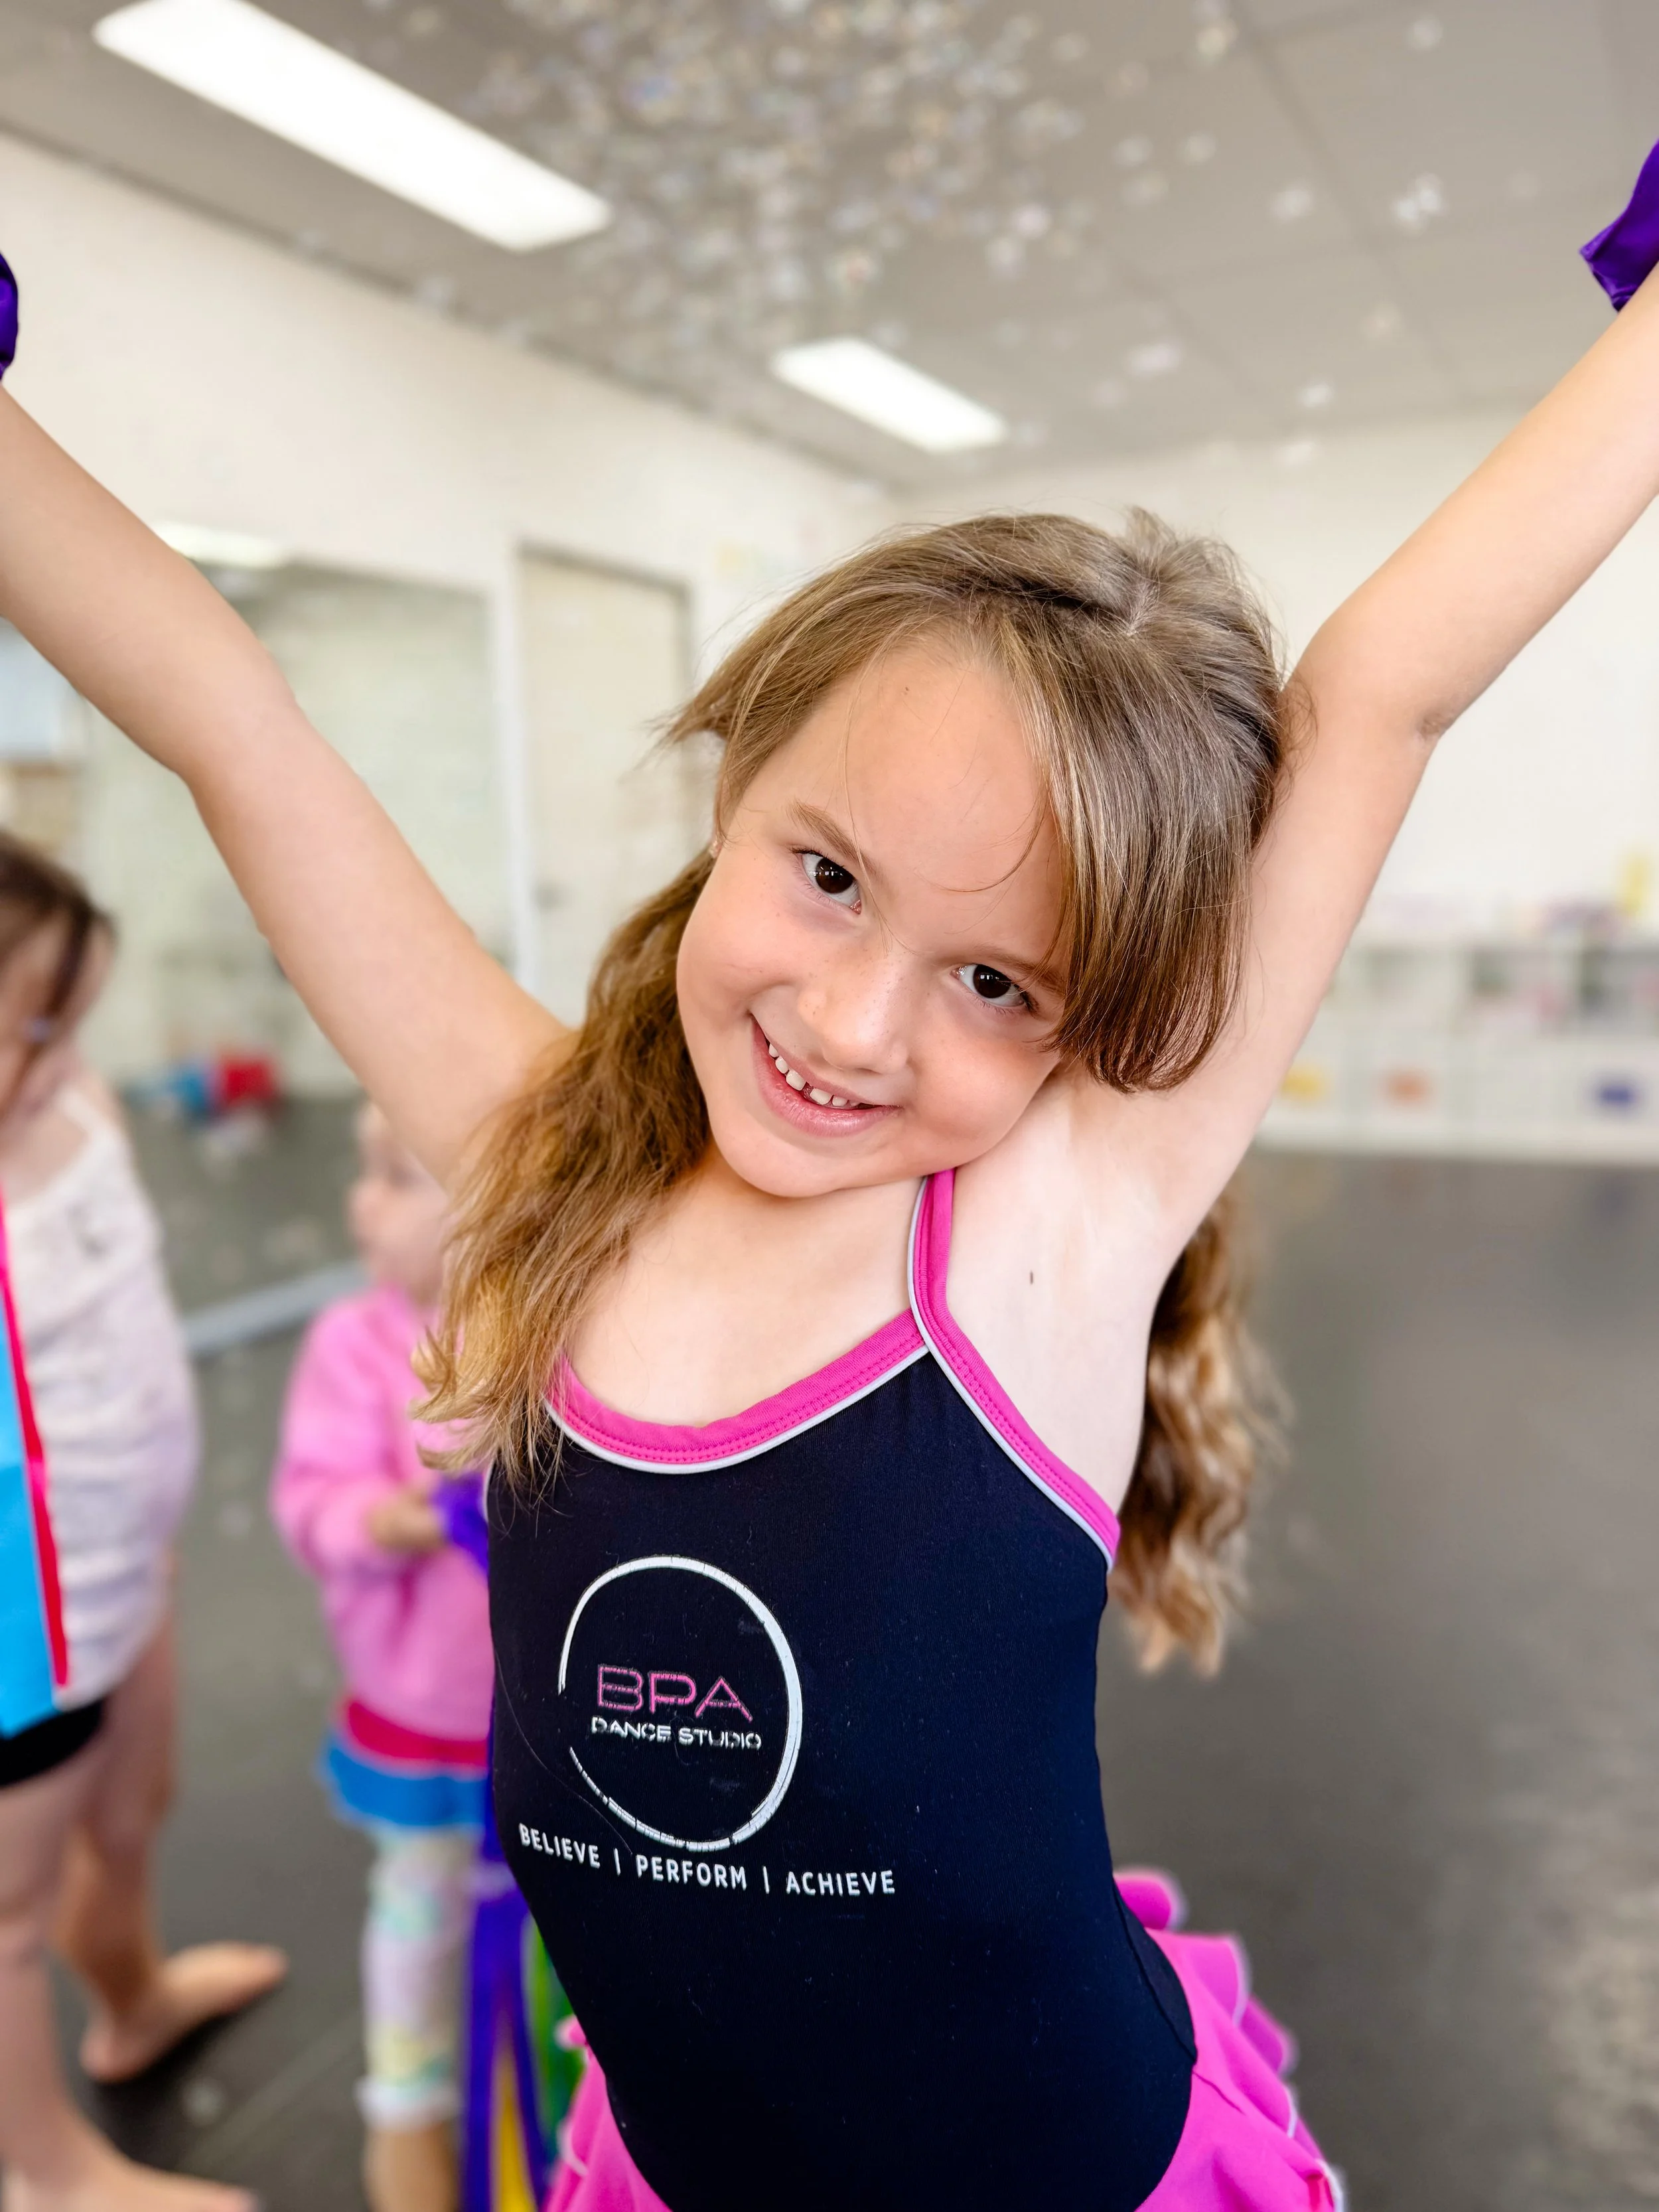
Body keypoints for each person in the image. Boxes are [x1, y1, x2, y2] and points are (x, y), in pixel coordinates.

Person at [3, 176, 1659, 2205]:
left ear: (1099, 1025)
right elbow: (232, 725)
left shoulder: (1055, 1229)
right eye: (826, 874)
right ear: (734, 791)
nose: (859, 1022)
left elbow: (1375, 691)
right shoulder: (544, 1167)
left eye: (994, 980)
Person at [0, 834, 283, 2212]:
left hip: (126, 1562)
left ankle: (133, 1999)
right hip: (18, 1624)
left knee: (132, 1814)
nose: (60, 1054)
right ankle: (45, 2171)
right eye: (31, 1026)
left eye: (72, 1015)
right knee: (5, 1914)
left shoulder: (77, 1105)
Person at [271, 1106, 492, 2212]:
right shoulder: (353, 1345)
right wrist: (392, 1519)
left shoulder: (556, 1333)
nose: (362, 1203)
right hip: (419, 1706)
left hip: (548, 1720)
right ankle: (407, 2106)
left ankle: (557, 2082)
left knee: (561, 1911)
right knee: (418, 1899)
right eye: (366, 1174)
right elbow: (310, 1502)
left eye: (397, 1177)